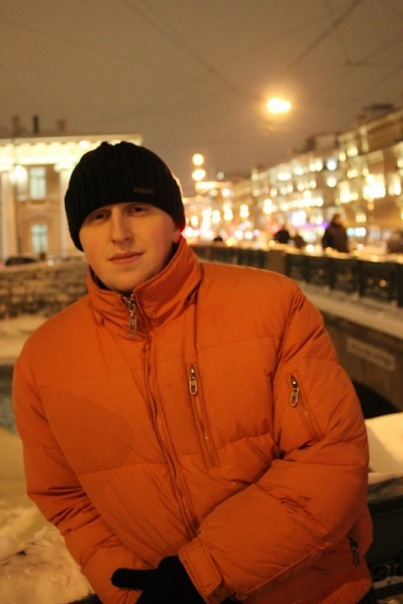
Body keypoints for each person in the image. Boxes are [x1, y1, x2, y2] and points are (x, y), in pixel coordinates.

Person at [13, 141, 373, 604]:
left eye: (138, 209)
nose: (119, 233)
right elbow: (66, 499)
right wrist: (132, 591)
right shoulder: (45, 357)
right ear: (80, 236)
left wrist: (202, 573)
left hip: (312, 592)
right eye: (98, 216)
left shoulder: (271, 305)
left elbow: (329, 458)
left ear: (174, 222)